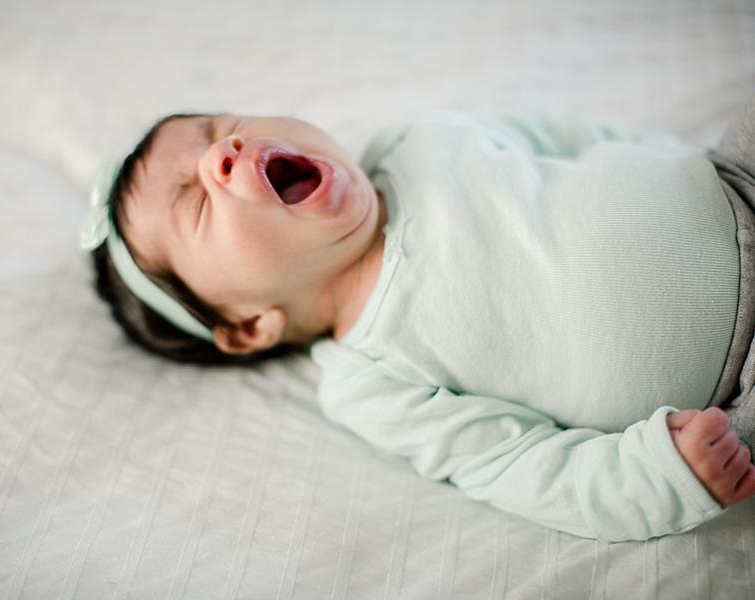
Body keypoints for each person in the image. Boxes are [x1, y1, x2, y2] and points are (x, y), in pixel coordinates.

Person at [81, 100, 755, 542]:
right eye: (196, 202)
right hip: (737, 385)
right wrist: (655, 479)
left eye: (217, 127)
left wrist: (672, 161)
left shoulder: (414, 142)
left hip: (733, 176)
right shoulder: (369, 380)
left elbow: (568, 137)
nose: (221, 151)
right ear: (247, 326)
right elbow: (514, 463)